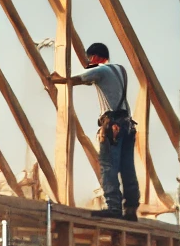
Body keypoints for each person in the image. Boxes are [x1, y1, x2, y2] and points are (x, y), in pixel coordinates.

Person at [50, 42, 139, 221]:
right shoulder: (119, 70)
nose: (88, 62)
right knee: (127, 168)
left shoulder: (100, 69)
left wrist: (57, 79)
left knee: (108, 166)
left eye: (89, 59)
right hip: (128, 125)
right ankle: (130, 209)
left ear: (96, 57)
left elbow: (75, 79)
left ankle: (113, 207)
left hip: (113, 125)